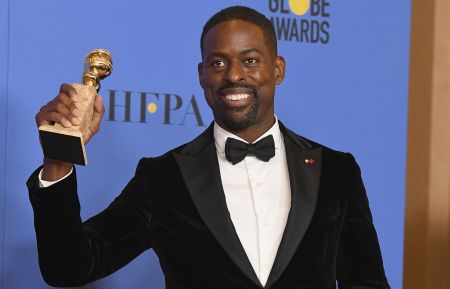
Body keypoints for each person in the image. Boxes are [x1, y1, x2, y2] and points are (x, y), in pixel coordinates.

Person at [28, 6, 390, 289]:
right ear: (202, 74)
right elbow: (70, 267)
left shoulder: (336, 170)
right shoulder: (163, 178)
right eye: (218, 63)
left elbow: (367, 282)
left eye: (250, 60)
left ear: (277, 69)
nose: (234, 75)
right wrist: (59, 160)